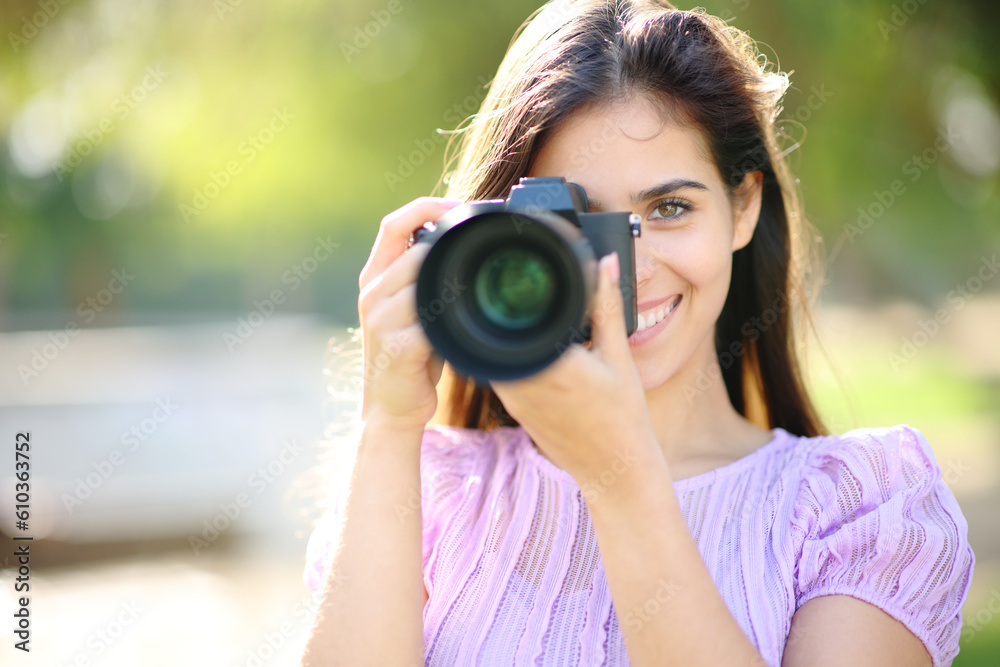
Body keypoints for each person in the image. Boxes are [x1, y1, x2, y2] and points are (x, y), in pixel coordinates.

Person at [300, 1, 975, 665]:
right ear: (496, 241)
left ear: (743, 207)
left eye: (670, 208)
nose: (628, 271)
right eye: (578, 225)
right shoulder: (431, 492)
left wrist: (617, 476)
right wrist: (388, 424)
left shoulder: (862, 512)